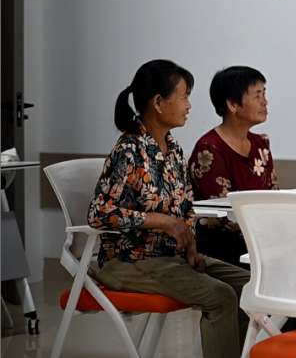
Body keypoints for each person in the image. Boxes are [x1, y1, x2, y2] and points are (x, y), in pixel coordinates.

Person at [88, 60, 250, 358]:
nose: (189, 105)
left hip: (169, 258)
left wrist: (191, 248)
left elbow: (185, 207)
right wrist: (161, 221)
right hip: (127, 261)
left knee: (249, 287)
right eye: (184, 96)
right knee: (220, 296)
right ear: (158, 103)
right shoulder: (128, 151)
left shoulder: (173, 149)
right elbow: (99, 213)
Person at [189, 66, 277, 268]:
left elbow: (273, 197)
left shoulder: (261, 144)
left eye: (264, 94)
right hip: (220, 244)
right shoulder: (209, 149)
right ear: (232, 104)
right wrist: (271, 234)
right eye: (257, 95)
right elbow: (224, 216)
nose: (265, 101)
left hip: (258, 239)